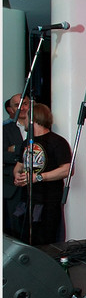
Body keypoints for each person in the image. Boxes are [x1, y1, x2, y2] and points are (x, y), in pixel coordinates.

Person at [13, 103, 72, 245]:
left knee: (46, 241)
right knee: (25, 240)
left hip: (48, 201)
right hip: (27, 200)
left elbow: (67, 170)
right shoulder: (26, 143)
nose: (24, 121)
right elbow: (19, 165)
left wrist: (38, 177)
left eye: (26, 118)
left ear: (33, 119)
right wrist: (17, 176)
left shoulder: (57, 141)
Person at [3, 93, 29, 236]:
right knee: (15, 229)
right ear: (11, 110)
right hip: (13, 186)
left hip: (37, 185)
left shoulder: (40, 127)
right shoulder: (5, 130)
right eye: (17, 105)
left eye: (25, 103)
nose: (22, 108)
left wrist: (16, 148)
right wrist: (24, 153)